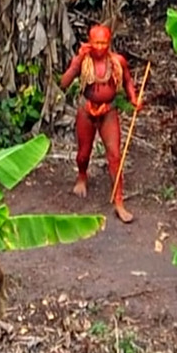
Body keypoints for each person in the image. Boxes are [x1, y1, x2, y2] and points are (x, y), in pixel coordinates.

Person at [60, 24, 143, 223]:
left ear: (109, 42)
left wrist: (134, 98)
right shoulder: (83, 61)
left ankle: (119, 200)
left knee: (115, 155)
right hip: (86, 110)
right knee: (83, 154)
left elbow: (128, 81)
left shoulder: (117, 61)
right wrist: (78, 59)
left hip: (108, 111)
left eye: (103, 43)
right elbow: (64, 82)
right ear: (89, 42)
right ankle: (82, 176)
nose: (99, 47)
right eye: (96, 42)